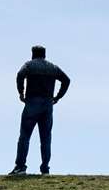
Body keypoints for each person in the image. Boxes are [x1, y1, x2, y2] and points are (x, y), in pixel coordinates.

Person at [9, 44, 71, 175]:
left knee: (25, 136)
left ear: (33, 54)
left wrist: (21, 92)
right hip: (48, 105)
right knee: (46, 138)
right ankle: (45, 168)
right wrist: (57, 97)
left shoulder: (29, 65)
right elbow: (66, 80)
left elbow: (20, 75)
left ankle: (20, 167)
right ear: (44, 54)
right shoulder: (52, 67)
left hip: (32, 103)